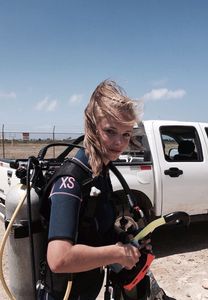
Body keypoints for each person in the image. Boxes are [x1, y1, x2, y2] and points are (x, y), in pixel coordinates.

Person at [46, 80, 175, 300]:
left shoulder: (100, 172)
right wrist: (118, 253)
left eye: (126, 134)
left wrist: (126, 239)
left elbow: (91, 230)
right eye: (110, 131)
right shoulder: (72, 180)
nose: (119, 142)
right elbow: (59, 259)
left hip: (86, 288)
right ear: (91, 126)